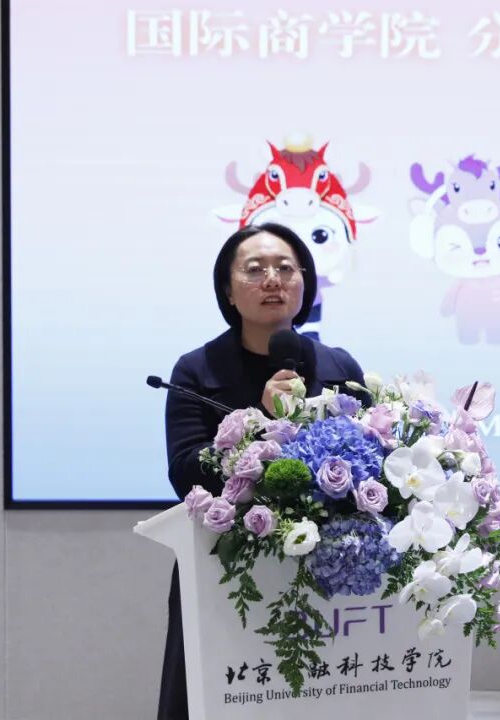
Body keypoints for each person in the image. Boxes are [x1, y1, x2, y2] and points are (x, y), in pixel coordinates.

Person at [157, 222, 365, 719]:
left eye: (286, 268)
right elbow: (185, 473)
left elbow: (369, 464)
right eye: (254, 270)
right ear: (228, 291)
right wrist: (261, 421)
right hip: (224, 567)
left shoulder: (339, 367)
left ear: (305, 283)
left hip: (325, 569)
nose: (273, 279)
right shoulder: (197, 370)